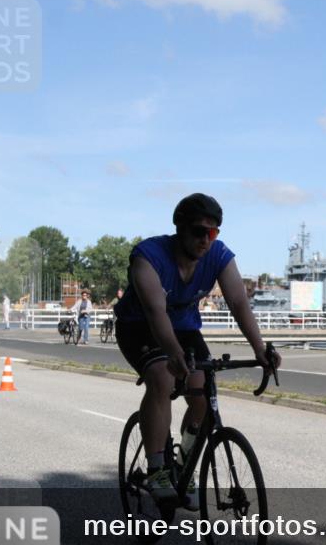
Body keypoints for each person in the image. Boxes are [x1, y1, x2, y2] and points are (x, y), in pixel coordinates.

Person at [114, 193, 280, 507]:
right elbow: (154, 311)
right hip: (140, 325)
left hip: (185, 327)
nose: (206, 239)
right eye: (198, 231)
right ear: (179, 228)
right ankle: (156, 468)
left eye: (213, 232)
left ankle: (184, 465)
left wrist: (260, 349)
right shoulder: (148, 256)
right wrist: (173, 353)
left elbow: (238, 302)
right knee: (162, 376)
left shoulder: (218, 255)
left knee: (202, 389)